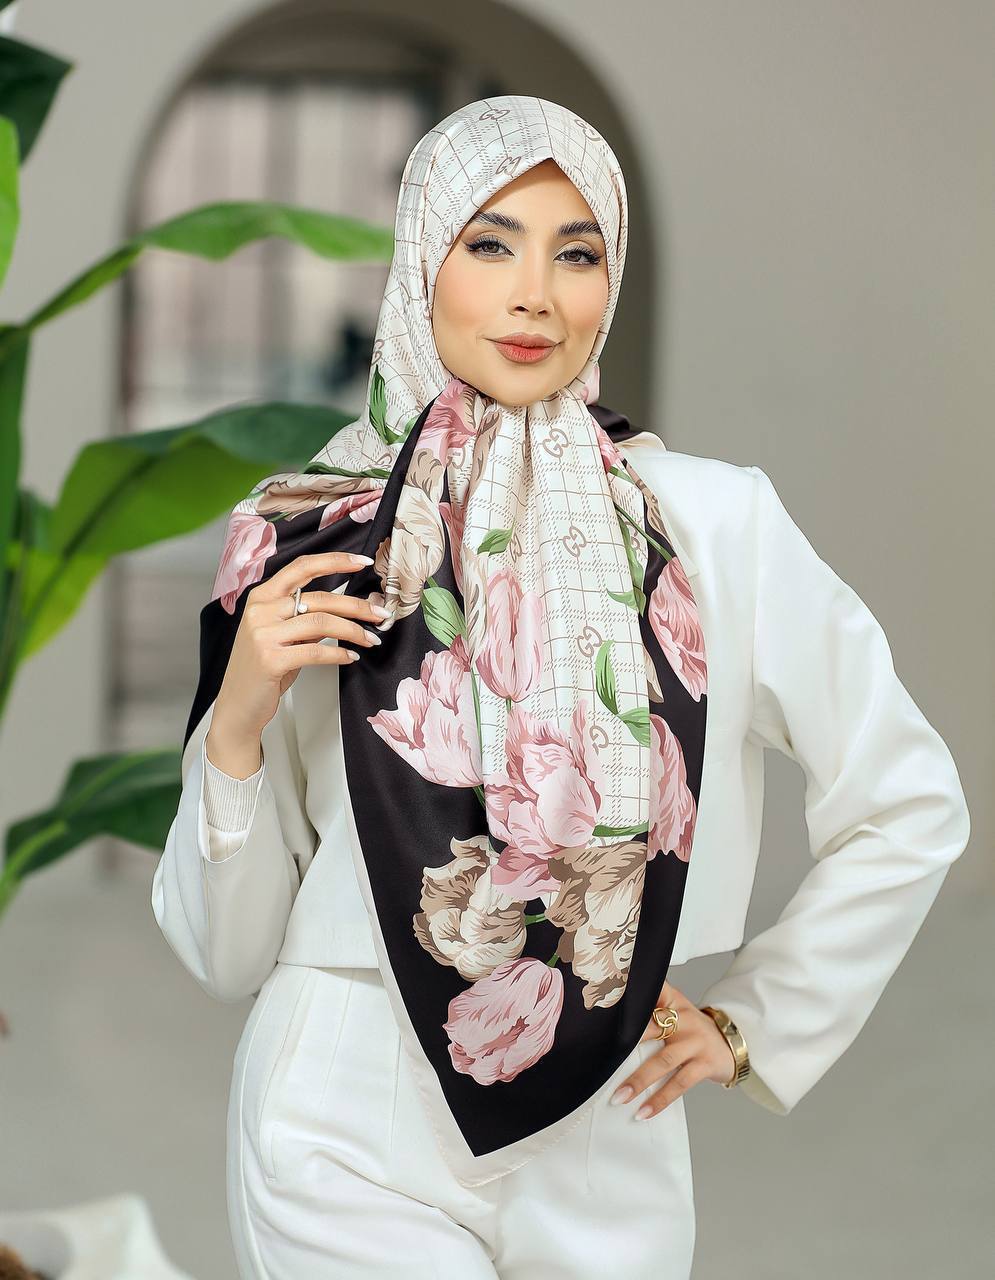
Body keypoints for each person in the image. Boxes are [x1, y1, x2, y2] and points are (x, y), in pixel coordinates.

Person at [151, 96, 971, 1279]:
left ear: (608, 278)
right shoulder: (306, 529)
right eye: (490, 243)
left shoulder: (712, 524)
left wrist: (757, 1020)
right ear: (421, 262)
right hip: (342, 1095)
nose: (534, 293)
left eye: (575, 252)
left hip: (610, 1104)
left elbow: (906, 797)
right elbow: (224, 954)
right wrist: (238, 711)